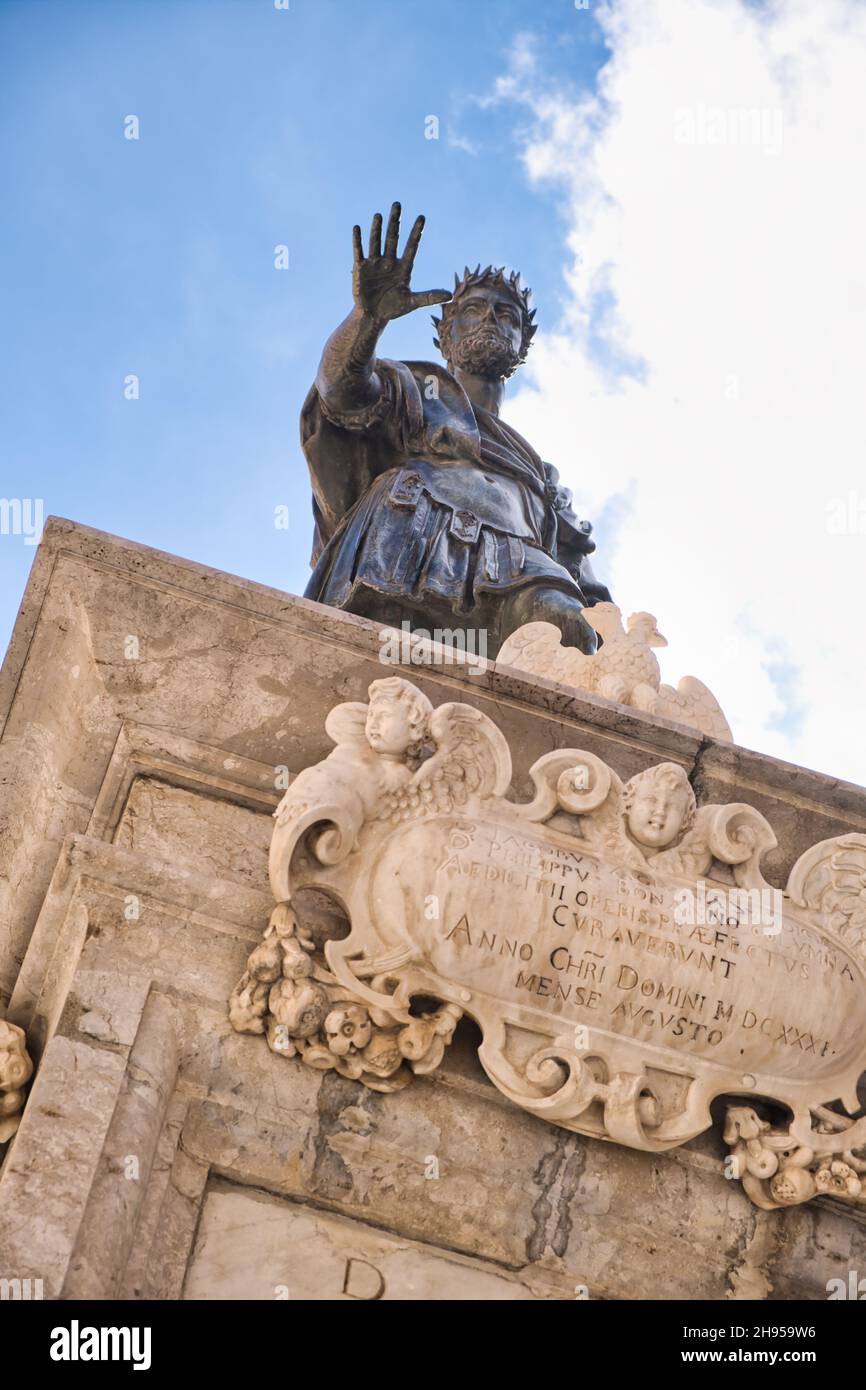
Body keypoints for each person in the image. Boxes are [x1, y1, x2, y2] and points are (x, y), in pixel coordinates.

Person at [302, 202, 612, 657]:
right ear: (444, 335)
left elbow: (589, 589)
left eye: (507, 315)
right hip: (413, 537)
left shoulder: (541, 474)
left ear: (522, 345)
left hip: (522, 561)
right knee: (383, 669)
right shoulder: (416, 388)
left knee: (569, 629)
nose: (491, 317)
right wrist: (368, 320)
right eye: (473, 308)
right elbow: (340, 392)